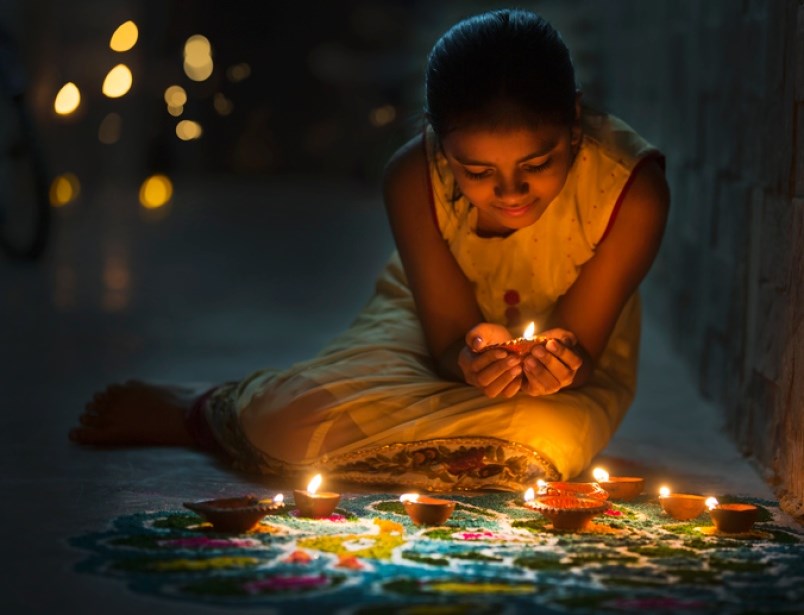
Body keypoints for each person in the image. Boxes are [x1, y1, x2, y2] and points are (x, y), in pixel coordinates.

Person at [70, 8, 669, 492]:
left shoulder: (630, 190)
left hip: (566, 383)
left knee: (542, 443)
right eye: (477, 170)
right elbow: (444, 343)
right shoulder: (413, 177)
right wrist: (468, 358)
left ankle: (364, 431)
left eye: (537, 165)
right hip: (426, 326)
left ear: (573, 119)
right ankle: (206, 409)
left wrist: (558, 362)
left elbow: (583, 348)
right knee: (291, 419)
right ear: (437, 141)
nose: (509, 192)